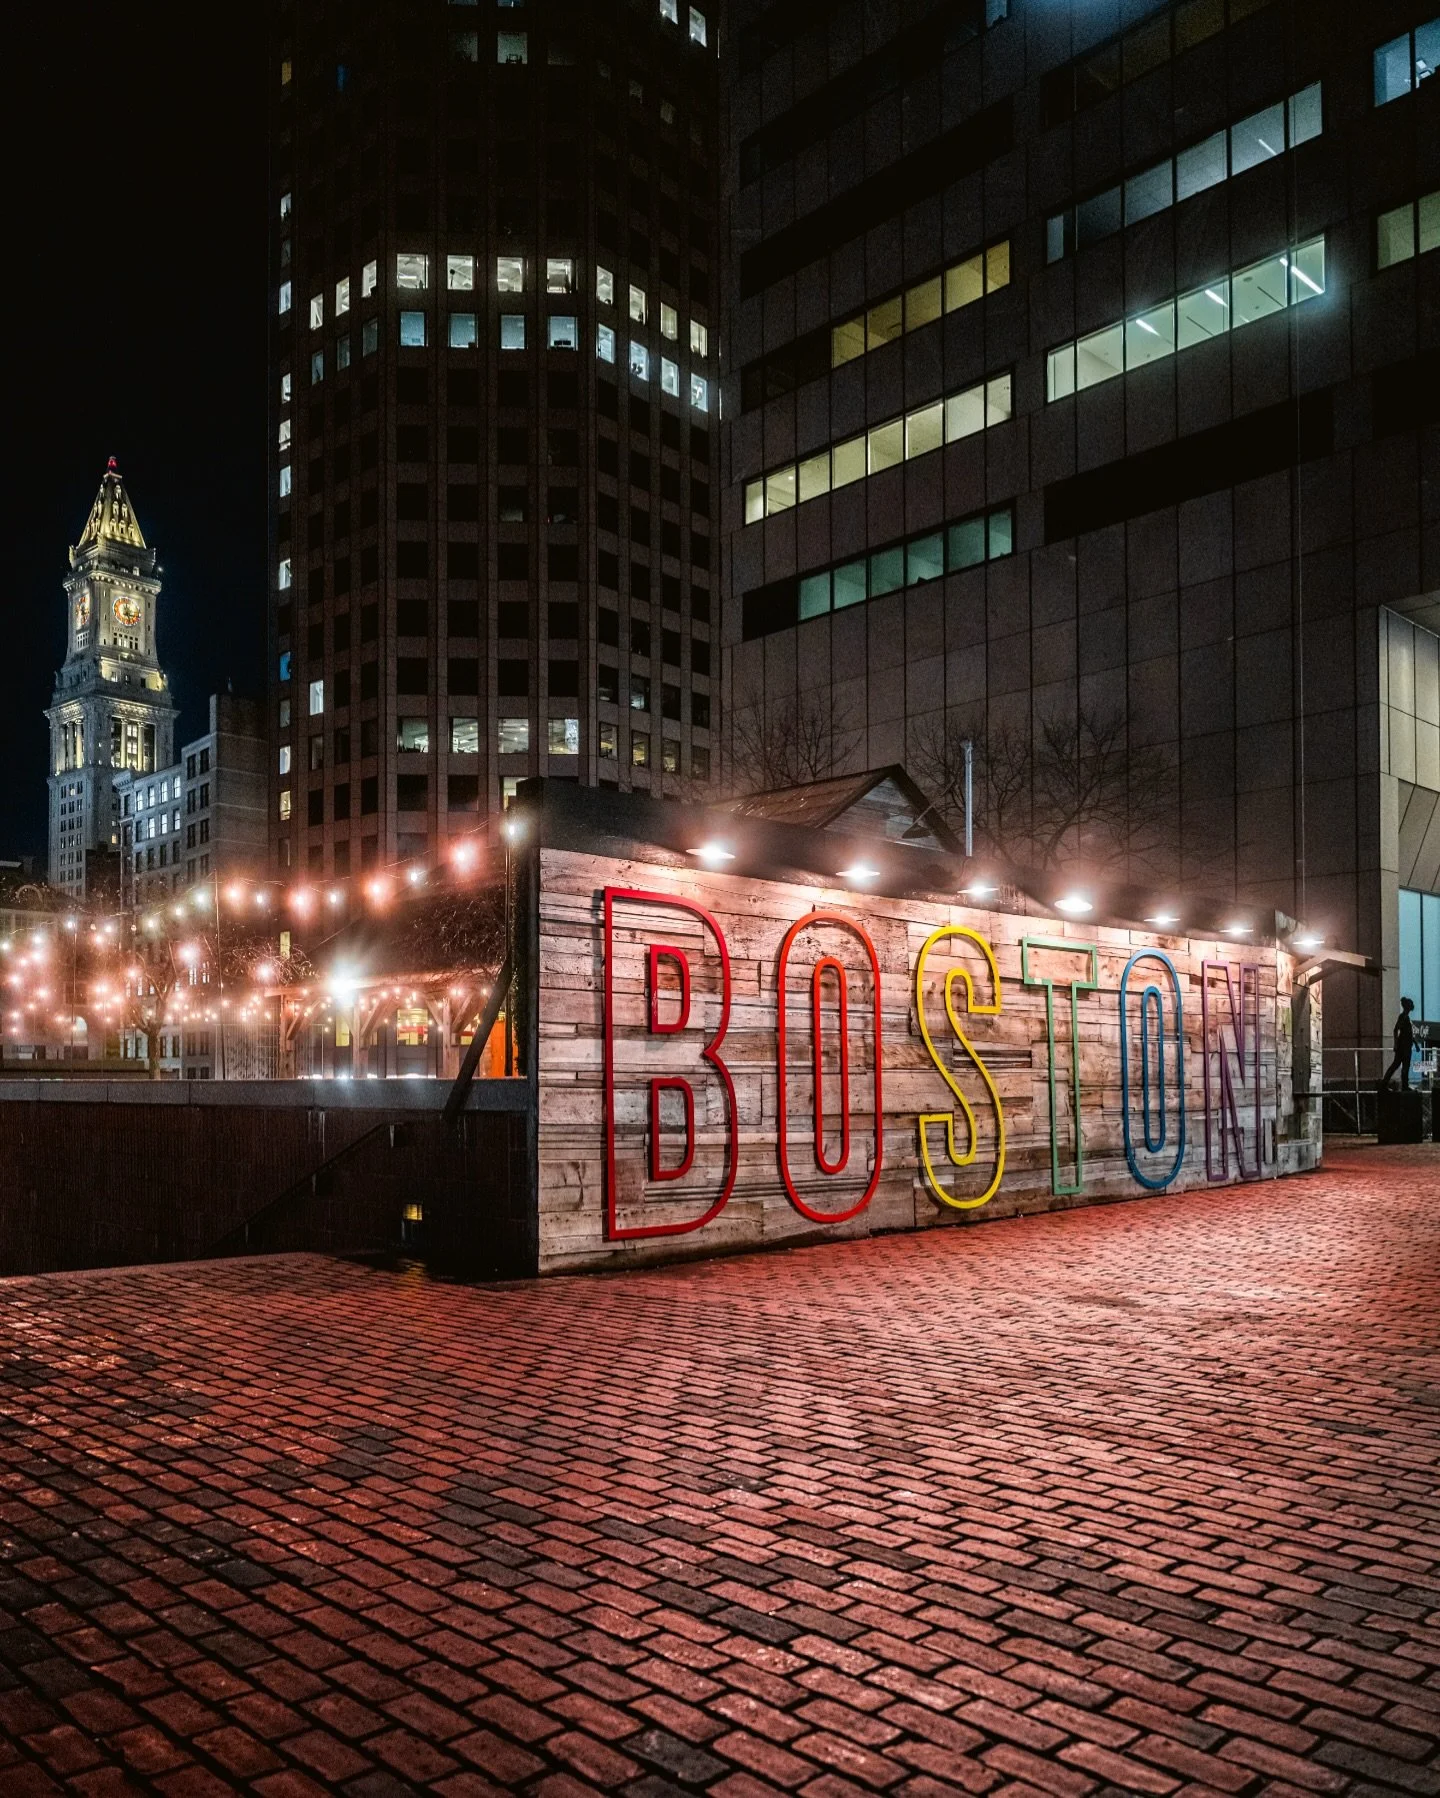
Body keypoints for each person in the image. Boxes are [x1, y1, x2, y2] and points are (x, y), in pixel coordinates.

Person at [1379, 996, 1416, 1091]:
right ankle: (1399, 1085)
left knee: (1398, 1065)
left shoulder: (1405, 1017)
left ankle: (1386, 1083)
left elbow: (1408, 1034)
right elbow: (1396, 1030)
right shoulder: (1403, 1017)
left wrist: (1414, 1043)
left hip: (1405, 1046)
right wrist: (1395, 1044)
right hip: (1404, 1047)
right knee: (1402, 1066)